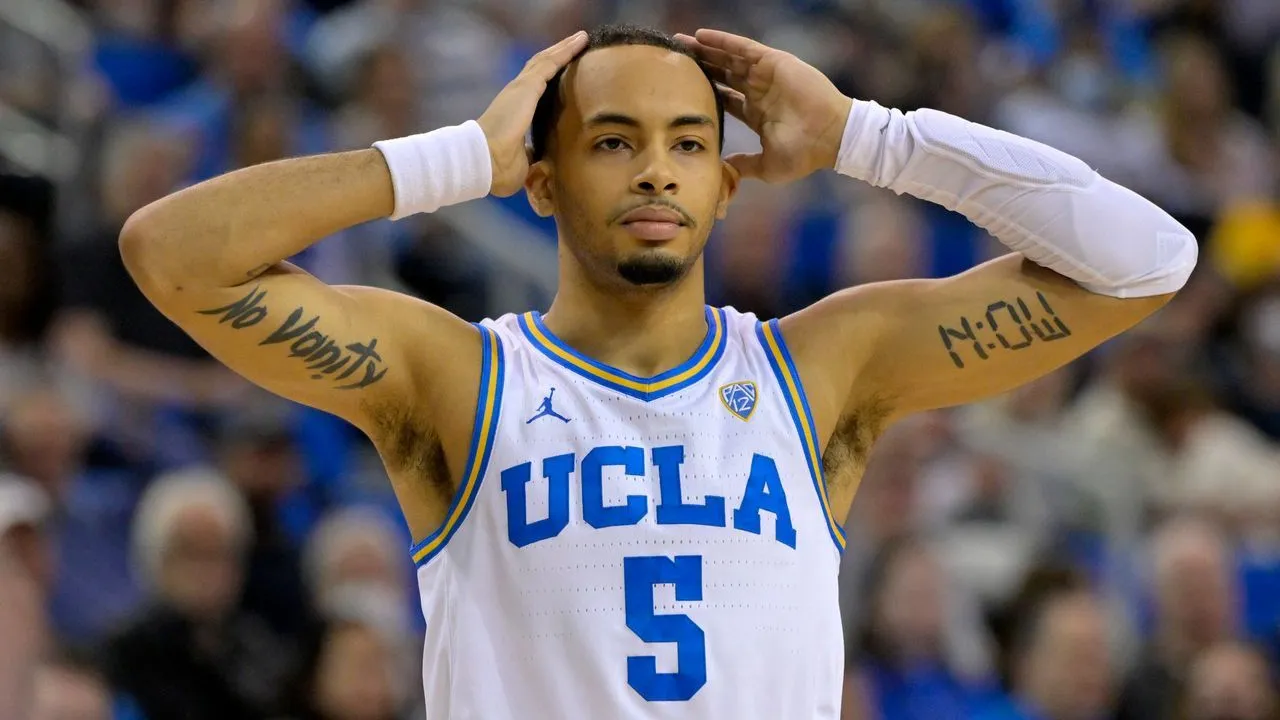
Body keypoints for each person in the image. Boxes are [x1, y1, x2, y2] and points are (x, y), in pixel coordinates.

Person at [119, 22, 1196, 720]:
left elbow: (1148, 261)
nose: (653, 171)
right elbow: (169, 253)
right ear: (541, 181)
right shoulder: (458, 379)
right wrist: (455, 160)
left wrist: (868, 137)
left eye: (688, 142)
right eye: (611, 141)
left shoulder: (824, 370)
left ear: (727, 185)